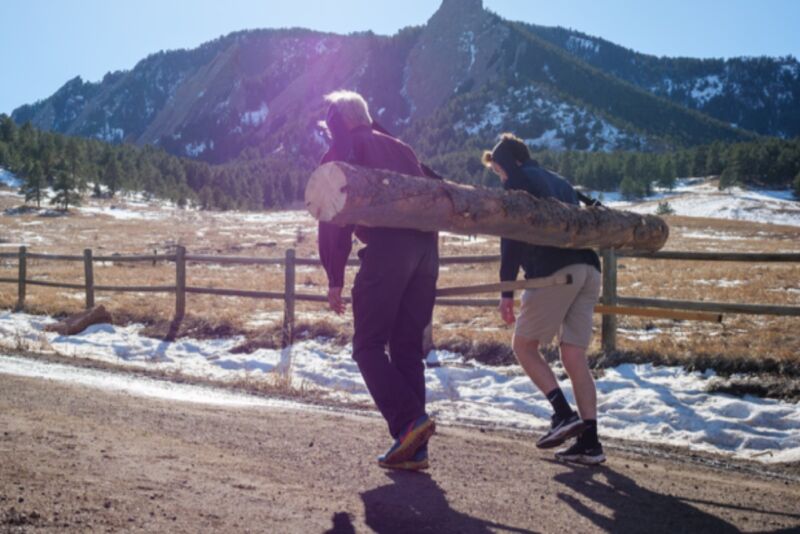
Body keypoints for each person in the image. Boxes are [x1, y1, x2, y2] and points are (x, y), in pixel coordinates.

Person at [317, 90, 439, 470]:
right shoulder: (402, 147)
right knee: (406, 347)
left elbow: (330, 211)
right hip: (427, 253)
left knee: (367, 346)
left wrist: (334, 275)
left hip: (388, 250)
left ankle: (408, 422)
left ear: (339, 119)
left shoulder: (346, 146)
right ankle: (413, 449)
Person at [482, 133, 605, 465]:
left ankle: (562, 414)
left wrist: (506, 291)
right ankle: (590, 443)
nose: (501, 177)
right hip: (590, 269)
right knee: (573, 355)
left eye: (499, 170)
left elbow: (511, 237)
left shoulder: (519, 182)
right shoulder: (558, 180)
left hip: (555, 271)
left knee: (523, 346)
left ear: (509, 162)